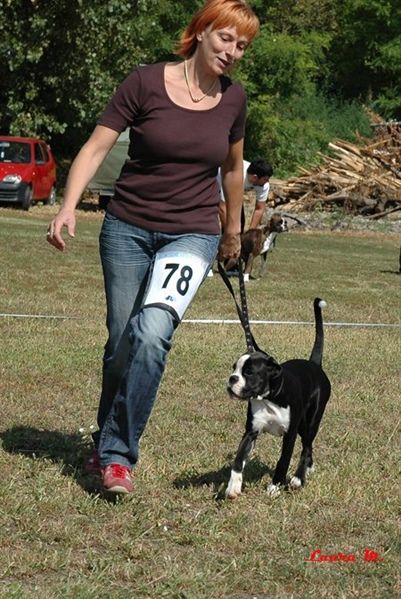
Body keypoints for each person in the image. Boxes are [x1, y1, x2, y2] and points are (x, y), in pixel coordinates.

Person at [46, 0, 260, 494]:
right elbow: (98, 145)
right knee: (122, 343)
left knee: (152, 333)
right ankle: (104, 442)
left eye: (243, 46)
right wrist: (67, 206)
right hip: (127, 228)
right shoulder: (143, 82)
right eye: (226, 38)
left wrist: (231, 231)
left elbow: (232, 169)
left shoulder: (233, 99)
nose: (233, 52)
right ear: (202, 32)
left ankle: (118, 457)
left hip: (192, 233)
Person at [218, 158, 273, 232]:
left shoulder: (264, 184)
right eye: (265, 179)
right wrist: (229, 233)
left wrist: (250, 233)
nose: (267, 182)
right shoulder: (235, 176)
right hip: (213, 182)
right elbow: (222, 208)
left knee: (240, 223)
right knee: (229, 229)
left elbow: (259, 209)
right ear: (255, 177)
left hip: (235, 190)